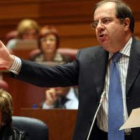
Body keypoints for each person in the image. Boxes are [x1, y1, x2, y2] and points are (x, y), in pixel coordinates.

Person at [0, 0, 138, 140]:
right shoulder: (88, 59)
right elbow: (52, 75)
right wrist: (12, 62)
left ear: (125, 23)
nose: (99, 27)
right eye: (96, 23)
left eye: (106, 20)